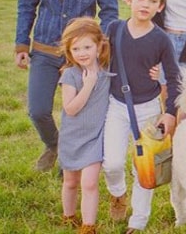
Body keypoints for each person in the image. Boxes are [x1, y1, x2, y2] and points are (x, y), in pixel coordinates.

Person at [15, 0, 118, 172]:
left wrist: (101, 48)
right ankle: (56, 146)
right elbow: (26, 5)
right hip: (45, 51)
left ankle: (71, 163)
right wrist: (21, 44)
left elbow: (110, 11)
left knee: (76, 111)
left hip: (80, 56)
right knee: (38, 110)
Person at [102, 0, 180, 234]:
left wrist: (170, 113)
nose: (145, 4)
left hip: (148, 109)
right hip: (117, 106)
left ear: (160, 6)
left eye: (152, 0)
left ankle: (138, 220)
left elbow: (175, 77)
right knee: (112, 163)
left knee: (144, 168)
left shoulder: (162, 40)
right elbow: (100, 59)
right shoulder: (114, 29)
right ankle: (117, 193)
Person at [58, 17, 113, 234]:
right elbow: (70, 108)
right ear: (69, 51)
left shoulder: (107, 71)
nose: (82, 53)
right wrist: (88, 85)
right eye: (76, 48)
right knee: (71, 181)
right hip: (72, 137)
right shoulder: (70, 74)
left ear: (99, 46)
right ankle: (68, 216)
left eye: (87, 47)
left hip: (95, 137)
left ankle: (88, 226)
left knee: (89, 182)